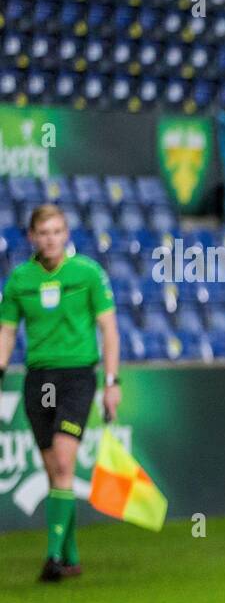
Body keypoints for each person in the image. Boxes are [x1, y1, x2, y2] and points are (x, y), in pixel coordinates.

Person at [0, 204, 121, 582]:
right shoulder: (20, 280)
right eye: (44, 232)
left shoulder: (87, 273)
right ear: (32, 237)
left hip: (76, 377)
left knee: (66, 463)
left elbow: (109, 330)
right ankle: (70, 555)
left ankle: (53, 557)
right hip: (41, 380)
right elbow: (6, 330)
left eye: (57, 231)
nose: (51, 238)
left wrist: (111, 382)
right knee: (54, 470)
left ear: (66, 234)